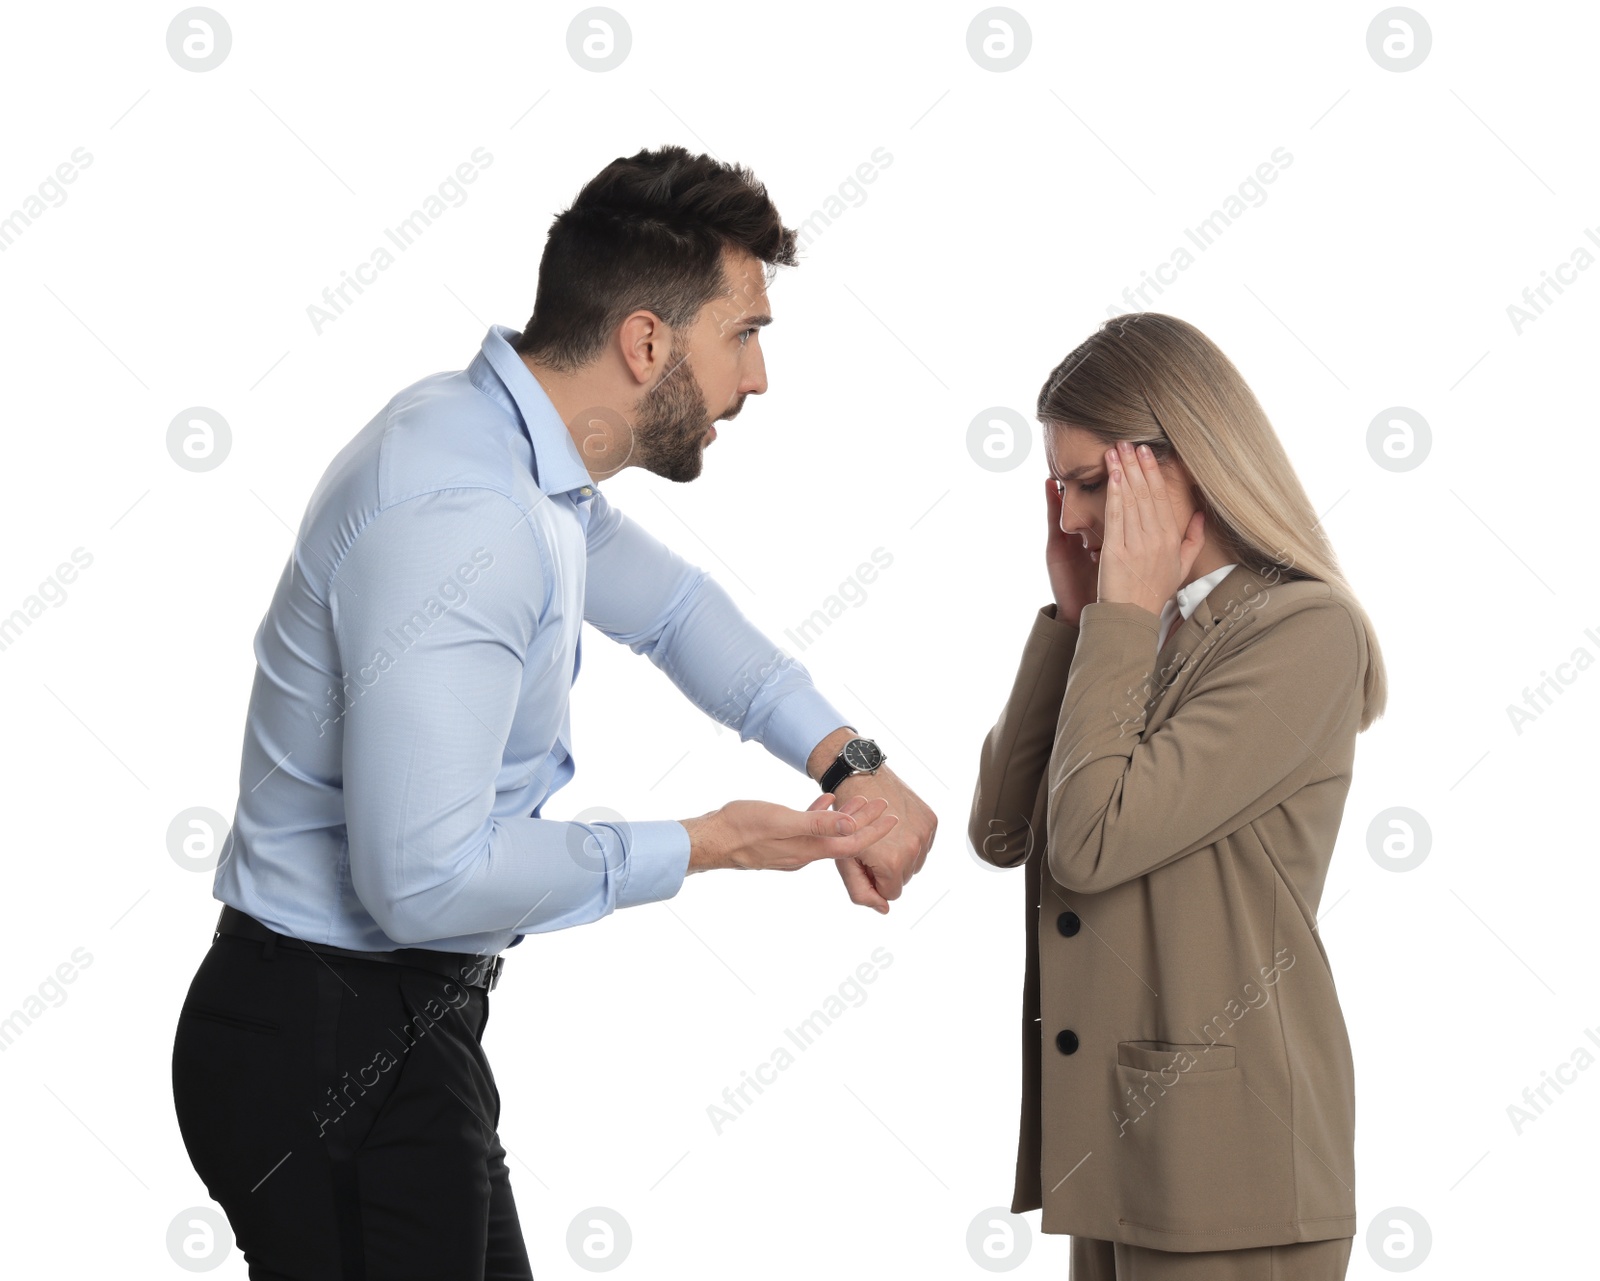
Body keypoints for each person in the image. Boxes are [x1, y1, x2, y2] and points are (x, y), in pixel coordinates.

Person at [170, 144, 936, 1279]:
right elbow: (421, 882)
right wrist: (709, 846)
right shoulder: (466, 520)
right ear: (645, 342)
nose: (758, 380)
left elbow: (673, 614)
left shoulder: (511, 451)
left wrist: (845, 758)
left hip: (392, 1032)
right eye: (745, 334)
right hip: (330, 1043)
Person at [968, 312, 1386, 1280]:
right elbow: (1000, 831)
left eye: (1087, 486)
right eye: (1058, 489)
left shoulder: (1301, 632)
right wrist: (1075, 624)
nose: (1069, 520)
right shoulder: (1130, 629)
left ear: (1182, 466)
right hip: (1117, 1156)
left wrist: (1117, 615)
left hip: (1229, 1175)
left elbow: (1091, 841)